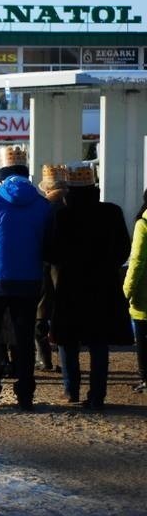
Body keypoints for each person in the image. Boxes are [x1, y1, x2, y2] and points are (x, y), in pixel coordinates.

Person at [0, 146, 52, 411]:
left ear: (3, 175)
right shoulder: (42, 204)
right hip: (28, 278)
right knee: (24, 335)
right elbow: (48, 241)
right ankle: (25, 394)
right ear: (27, 174)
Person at [49, 163, 132, 410]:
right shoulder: (112, 212)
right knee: (98, 342)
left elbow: (52, 252)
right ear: (94, 186)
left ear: (68, 189)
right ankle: (97, 395)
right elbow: (123, 249)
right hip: (103, 286)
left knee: (67, 341)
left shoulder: (62, 216)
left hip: (70, 287)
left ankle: (70, 390)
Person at [34, 164, 68, 372]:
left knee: (41, 313)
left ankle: (43, 358)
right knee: (64, 314)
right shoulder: (73, 206)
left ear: (47, 188)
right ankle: (67, 362)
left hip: (45, 265)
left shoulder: (42, 208)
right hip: (70, 268)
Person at [124, 188, 147, 394]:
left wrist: (126, 291)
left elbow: (137, 262)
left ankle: (145, 379)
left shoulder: (143, 224)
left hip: (144, 298)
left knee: (143, 340)